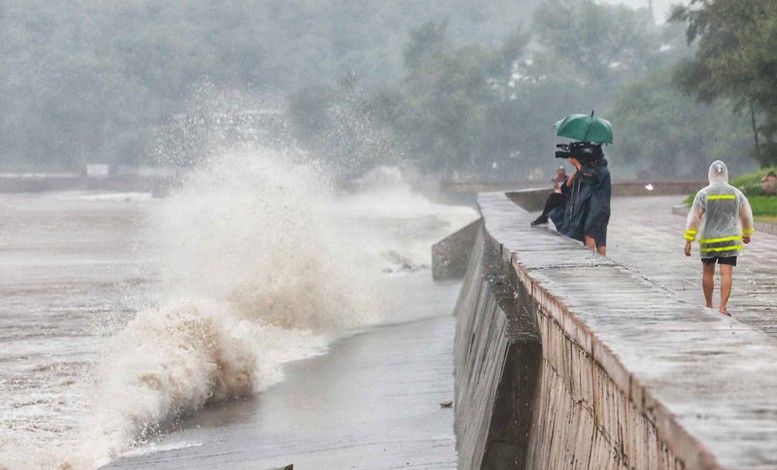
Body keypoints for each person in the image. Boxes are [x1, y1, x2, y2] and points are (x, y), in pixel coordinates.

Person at [684, 160, 754, 316]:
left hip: (709, 241)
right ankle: (723, 307)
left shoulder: (703, 194)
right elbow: (746, 215)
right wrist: (747, 233)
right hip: (729, 241)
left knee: (707, 273)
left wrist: (689, 240)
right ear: (726, 174)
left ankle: (709, 305)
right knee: (726, 273)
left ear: (711, 174)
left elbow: (694, 218)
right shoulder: (736, 193)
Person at [562, 151, 611, 256]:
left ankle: (592, 261)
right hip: (603, 209)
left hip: (597, 209)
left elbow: (588, 176)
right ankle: (602, 264)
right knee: (600, 239)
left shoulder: (601, 170)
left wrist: (577, 164)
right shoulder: (600, 171)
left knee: (589, 234)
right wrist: (576, 172)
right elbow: (566, 187)